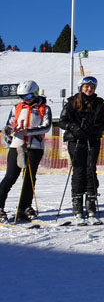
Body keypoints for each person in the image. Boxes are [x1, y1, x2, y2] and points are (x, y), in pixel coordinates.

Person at [59, 76, 104, 225]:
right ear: (81, 87)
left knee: (90, 170)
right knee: (79, 171)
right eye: (86, 87)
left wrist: (93, 129)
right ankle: (77, 206)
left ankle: (91, 205)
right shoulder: (72, 102)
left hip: (92, 140)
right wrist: (75, 128)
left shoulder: (99, 104)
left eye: (92, 87)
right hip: (76, 140)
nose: (89, 89)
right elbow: (63, 121)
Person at [0, 80, 52, 222]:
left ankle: (24, 207)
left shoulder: (44, 108)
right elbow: (10, 124)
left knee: (29, 178)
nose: (25, 99)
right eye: (22, 96)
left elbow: (46, 127)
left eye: (28, 96)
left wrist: (28, 131)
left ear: (35, 94)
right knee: (10, 176)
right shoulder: (17, 107)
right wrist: (8, 131)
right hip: (17, 146)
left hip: (35, 147)